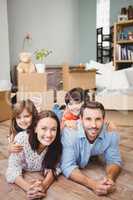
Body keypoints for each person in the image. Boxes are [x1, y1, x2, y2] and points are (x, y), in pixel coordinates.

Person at [61, 101, 122, 196]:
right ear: (81, 119)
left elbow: (114, 160)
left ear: (104, 119)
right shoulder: (70, 133)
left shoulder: (111, 133)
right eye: (88, 119)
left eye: (98, 119)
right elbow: (67, 166)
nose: (93, 125)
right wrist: (92, 184)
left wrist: (110, 178)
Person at [6, 110, 62, 199]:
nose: (49, 134)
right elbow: (12, 169)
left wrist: (43, 186)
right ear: (35, 128)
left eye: (53, 129)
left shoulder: (57, 143)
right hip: (24, 176)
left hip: (39, 179)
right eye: (44, 128)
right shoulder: (22, 139)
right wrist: (29, 188)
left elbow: (55, 167)